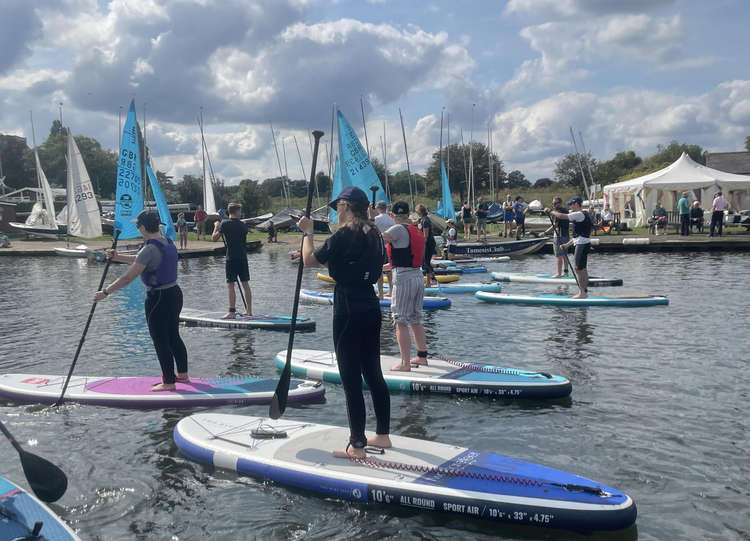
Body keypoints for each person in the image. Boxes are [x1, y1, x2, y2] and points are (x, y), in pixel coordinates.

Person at [297, 186, 391, 459]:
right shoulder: (374, 233)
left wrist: (308, 232)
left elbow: (309, 260)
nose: (336, 211)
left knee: (351, 379)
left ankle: (357, 445)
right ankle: (383, 434)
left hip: (348, 306)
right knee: (373, 372)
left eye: (338, 206)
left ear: (347, 206)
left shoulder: (343, 234)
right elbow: (365, 265)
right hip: (371, 304)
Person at [94, 211, 188, 392]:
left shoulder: (148, 249)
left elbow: (128, 277)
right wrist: (117, 256)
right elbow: (141, 260)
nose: (137, 228)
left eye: (138, 225)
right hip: (174, 293)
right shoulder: (167, 241)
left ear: (143, 228)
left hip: (158, 298)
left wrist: (105, 292)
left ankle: (169, 382)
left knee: (160, 340)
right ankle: (183, 375)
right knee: (173, 335)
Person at [382, 200, 429, 372]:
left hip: (404, 279)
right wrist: (381, 268)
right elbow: (402, 259)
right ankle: (422, 357)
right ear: (408, 215)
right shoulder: (414, 230)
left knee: (400, 320)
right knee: (415, 318)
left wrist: (370, 222)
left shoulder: (397, 228)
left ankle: (405, 363)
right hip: (417, 276)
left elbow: (377, 237)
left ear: (392, 216)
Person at [212, 202, 252, 318]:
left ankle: (232, 312)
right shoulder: (243, 225)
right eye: (240, 211)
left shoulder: (224, 224)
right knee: (245, 284)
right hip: (243, 258)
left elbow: (214, 238)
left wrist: (216, 227)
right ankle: (249, 311)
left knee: (230, 285)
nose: (241, 213)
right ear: (236, 212)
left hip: (231, 258)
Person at [546, 196, 591, 299]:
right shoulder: (583, 214)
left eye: (571, 204)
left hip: (581, 245)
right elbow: (578, 236)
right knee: (583, 269)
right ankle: (585, 291)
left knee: (578, 269)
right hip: (584, 243)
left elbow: (561, 216)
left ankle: (582, 293)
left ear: (576, 204)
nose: (570, 206)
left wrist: (551, 211)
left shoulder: (579, 214)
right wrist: (566, 245)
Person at [541, 196, 570, 278]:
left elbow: (555, 225)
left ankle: (558, 273)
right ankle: (566, 272)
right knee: (564, 254)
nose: (553, 205)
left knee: (558, 255)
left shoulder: (557, 212)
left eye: (555, 203)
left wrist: (545, 233)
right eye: (552, 203)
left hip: (559, 235)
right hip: (566, 235)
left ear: (560, 203)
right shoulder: (565, 210)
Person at [373, 201, 395, 299]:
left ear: (378, 208)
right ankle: (391, 291)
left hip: (380, 246)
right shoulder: (391, 219)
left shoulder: (376, 219)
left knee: (379, 270)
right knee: (389, 270)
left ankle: (381, 293)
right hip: (390, 247)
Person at [415, 204, 436, 287]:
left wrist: (420, 245)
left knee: (425, 262)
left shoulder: (425, 220)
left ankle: (428, 283)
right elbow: (413, 222)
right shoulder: (421, 219)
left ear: (419, 212)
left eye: (416, 211)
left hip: (428, 243)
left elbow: (425, 236)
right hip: (426, 243)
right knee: (425, 262)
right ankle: (432, 279)